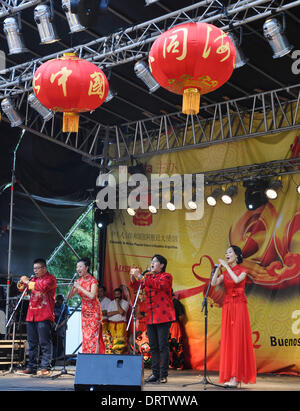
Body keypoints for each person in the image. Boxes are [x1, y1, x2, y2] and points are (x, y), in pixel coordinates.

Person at [211, 245, 256, 388]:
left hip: (239, 306)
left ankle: (236, 377)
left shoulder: (243, 270)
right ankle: (230, 375)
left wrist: (226, 267)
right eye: (226, 252)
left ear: (237, 255)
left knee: (237, 339)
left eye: (229, 252)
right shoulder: (224, 273)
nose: (226, 254)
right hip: (228, 305)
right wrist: (219, 269)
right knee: (229, 340)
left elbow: (237, 280)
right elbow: (213, 283)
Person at [130, 254, 175, 384]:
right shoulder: (147, 276)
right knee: (153, 346)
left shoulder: (166, 276)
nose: (152, 263)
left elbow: (158, 285)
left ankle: (163, 374)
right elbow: (135, 286)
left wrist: (140, 276)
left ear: (162, 265)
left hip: (163, 316)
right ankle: (155, 373)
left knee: (163, 346)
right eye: (152, 261)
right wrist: (133, 277)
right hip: (151, 316)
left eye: (155, 261)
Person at [16, 258, 57, 376]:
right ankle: (31, 367)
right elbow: (21, 289)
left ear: (44, 268)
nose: (35, 271)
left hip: (44, 314)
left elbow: (42, 287)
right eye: (34, 269)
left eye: (37, 268)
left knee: (44, 342)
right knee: (32, 343)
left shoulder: (51, 279)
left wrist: (27, 282)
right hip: (31, 315)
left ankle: (45, 367)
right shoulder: (33, 279)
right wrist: (22, 282)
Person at [69, 257, 105, 354]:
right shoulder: (79, 281)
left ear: (86, 268)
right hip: (85, 310)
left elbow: (92, 296)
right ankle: (86, 357)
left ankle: (94, 358)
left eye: (80, 266)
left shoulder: (93, 281)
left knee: (94, 335)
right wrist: (72, 288)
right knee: (85, 335)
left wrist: (79, 287)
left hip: (94, 311)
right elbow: (69, 297)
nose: (78, 269)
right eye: (77, 267)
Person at [107, 288, 129, 354]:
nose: (117, 296)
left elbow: (121, 312)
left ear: (121, 294)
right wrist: (117, 312)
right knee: (111, 341)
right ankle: (111, 355)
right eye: (115, 294)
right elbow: (108, 314)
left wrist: (117, 303)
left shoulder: (125, 303)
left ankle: (120, 356)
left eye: (118, 294)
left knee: (120, 342)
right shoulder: (110, 303)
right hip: (111, 324)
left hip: (121, 325)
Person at [169, 291, 185, 370]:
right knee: (168, 346)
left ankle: (179, 364)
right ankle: (171, 363)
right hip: (167, 325)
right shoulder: (165, 303)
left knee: (177, 345)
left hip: (175, 325)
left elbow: (181, 316)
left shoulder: (176, 303)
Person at [52, 294, 70, 365]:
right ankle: (53, 358)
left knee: (61, 343)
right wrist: (54, 324)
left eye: (62, 300)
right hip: (53, 325)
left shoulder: (65, 307)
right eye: (59, 300)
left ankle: (60, 358)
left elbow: (66, 317)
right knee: (53, 342)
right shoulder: (53, 306)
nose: (61, 301)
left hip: (62, 326)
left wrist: (60, 325)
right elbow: (50, 314)